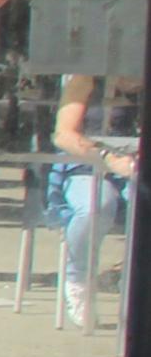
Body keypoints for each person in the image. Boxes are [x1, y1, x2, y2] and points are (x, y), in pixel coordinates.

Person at [50, 72, 135, 331]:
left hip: (136, 165)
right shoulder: (87, 78)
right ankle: (78, 280)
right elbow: (63, 134)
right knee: (95, 206)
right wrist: (107, 157)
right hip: (87, 163)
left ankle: (135, 280)